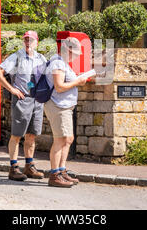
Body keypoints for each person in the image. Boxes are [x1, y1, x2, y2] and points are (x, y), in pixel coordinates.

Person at [0, 31, 46, 181]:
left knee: (32, 135)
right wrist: (12, 89)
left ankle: (29, 166)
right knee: (16, 135)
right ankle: (13, 168)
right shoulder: (16, 57)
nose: (28, 43)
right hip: (22, 100)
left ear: (37, 42)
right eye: (26, 40)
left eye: (31, 40)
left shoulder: (41, 58)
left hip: (37, 101)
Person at [44, 37, 87, 188]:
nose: (77, 55)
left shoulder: (63, 64)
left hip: (65, 106)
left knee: (68, 139)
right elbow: (60, 86)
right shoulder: (57, 63)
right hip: (58, 106)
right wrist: (78, 82)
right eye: (76, 53)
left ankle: (62, 171)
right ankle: (54, 175)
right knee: (60, 140)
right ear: (68, 50)